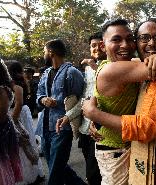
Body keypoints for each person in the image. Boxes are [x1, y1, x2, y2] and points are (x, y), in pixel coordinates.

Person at [82, 18, 156, 185]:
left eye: (129, 39)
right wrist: (94, 115)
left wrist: (95, 114)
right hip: (116, 152)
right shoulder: (118, 69)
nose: (125, 45)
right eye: (144, 38)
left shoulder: (154, 74)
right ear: (102, 46)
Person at [56, 32, 106, 185]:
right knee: (91, 172)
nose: (96, 48)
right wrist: (68, 116)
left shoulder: (115, 64)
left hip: (101, 129)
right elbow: (85, 97)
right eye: (93, 46)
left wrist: (95, 67)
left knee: (98, 174)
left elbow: (108, 95)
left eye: (100, 44)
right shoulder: (88, 69)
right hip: (85, 129)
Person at [36, 39, 85, 185]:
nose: (43, 54)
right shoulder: (45, 73)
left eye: (44, 51)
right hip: (45, 126)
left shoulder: (72, 73)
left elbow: (80, 100)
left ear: (51, 52)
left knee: (55, 170)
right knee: (55, 165)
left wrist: (61, 106)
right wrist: (43, 99)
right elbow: (38, 94)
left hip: (62, 127)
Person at [5, 60, 44, 185]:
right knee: (23, 145)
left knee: (24, 144)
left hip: (18, 115)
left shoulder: (16, 86)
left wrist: (12, 122)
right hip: (20, 114)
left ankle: (29, 175)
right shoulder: (14, 84)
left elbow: (18, 104)